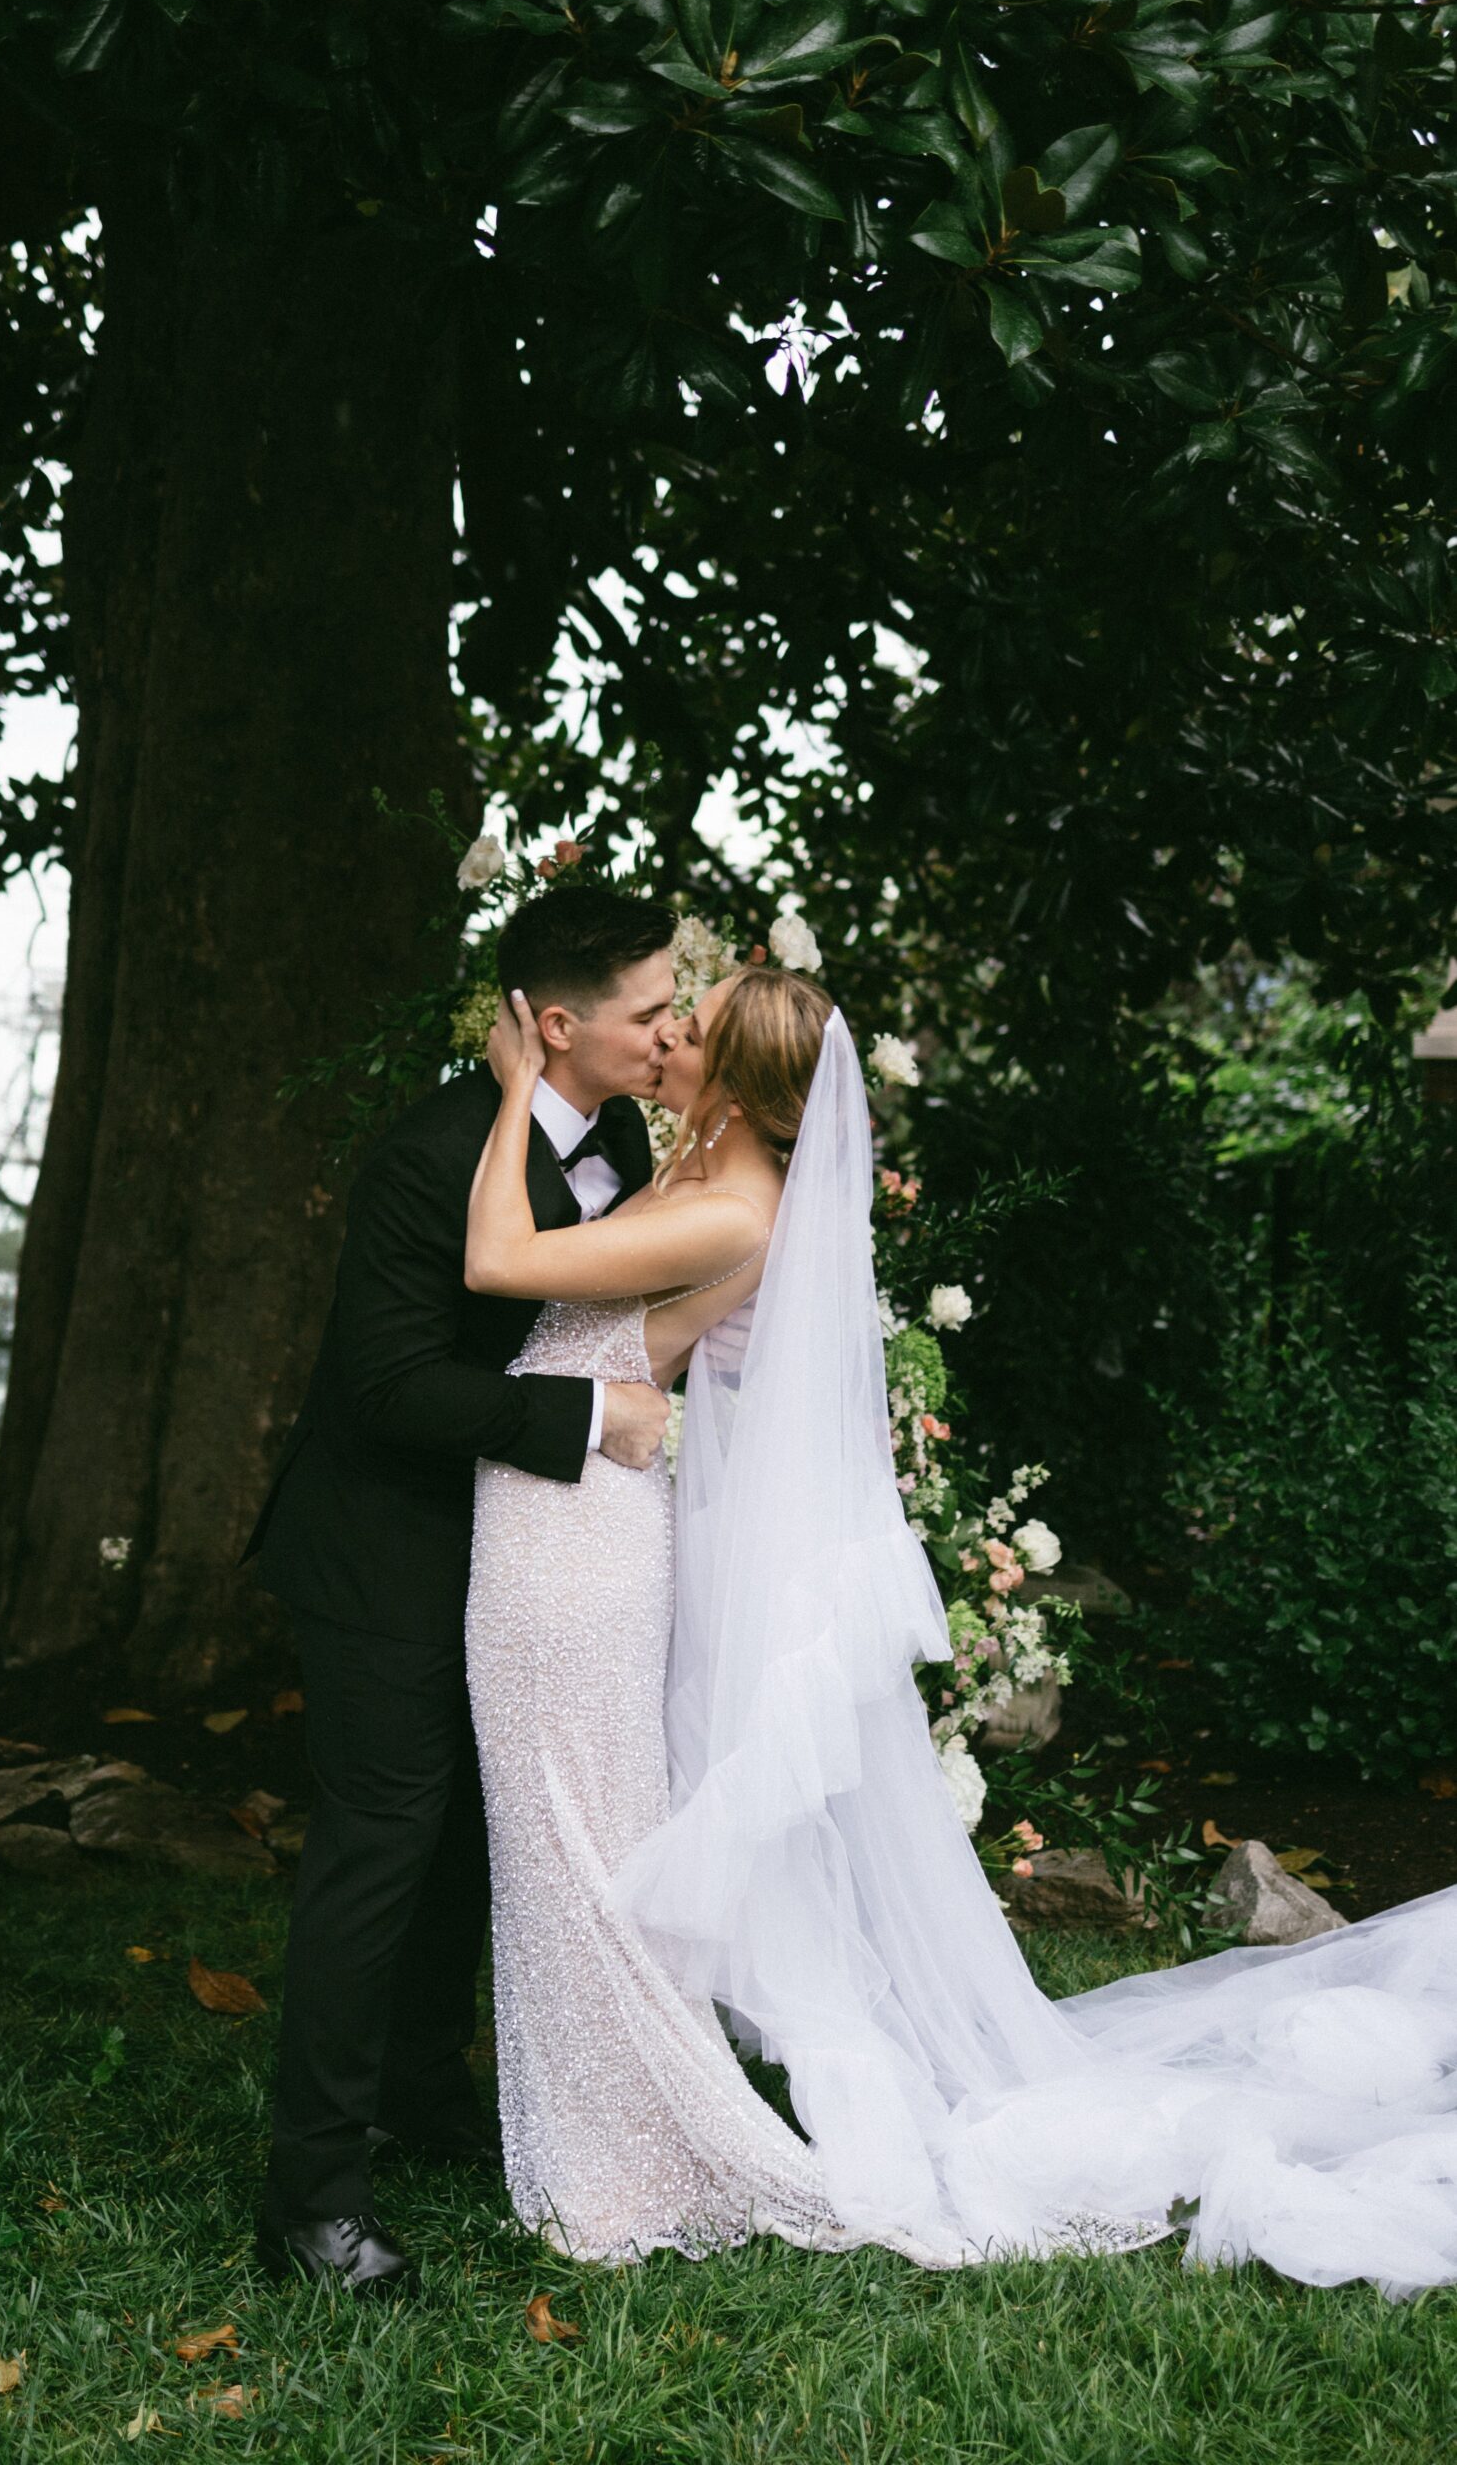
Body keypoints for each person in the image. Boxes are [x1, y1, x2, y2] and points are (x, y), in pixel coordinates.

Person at [463, 964, 1457, 2296]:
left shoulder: (731, 1213)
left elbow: (509, 1270)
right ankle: (626, 2085)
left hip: (609, 1513)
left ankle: (656, 2113)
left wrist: (520, 1082)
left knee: (639, 1827)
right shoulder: (705, 1179)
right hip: (605, 1500)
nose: (670, 1036)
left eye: (689, 1030)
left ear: (745, 1085)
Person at [241, 885, 677, 2294]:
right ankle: (310, 2205)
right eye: (651, 1012)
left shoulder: (618, 1132)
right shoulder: (430, 1157)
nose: (673, 1033)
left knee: (471, 1835)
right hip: (381, 1543)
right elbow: (386, 1387)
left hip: (508, 1549)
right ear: (556, 1026)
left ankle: (426, 2092)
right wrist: (588, 1423)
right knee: (383, 1843)